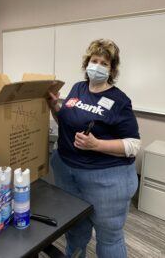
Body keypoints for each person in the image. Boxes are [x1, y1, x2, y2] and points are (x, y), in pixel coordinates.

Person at [48, 39, 141, 258]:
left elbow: (133, 145)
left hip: (105, 179)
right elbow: (65, 122)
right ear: (87, 63)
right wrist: (55, 108)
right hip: (67, 171)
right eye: (94, 60)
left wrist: (97, 144)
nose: (97, 66)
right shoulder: (78, 88)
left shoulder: (119, 100)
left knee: (109, 238)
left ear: (112, 69)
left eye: (104, 63)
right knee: (75, 230)